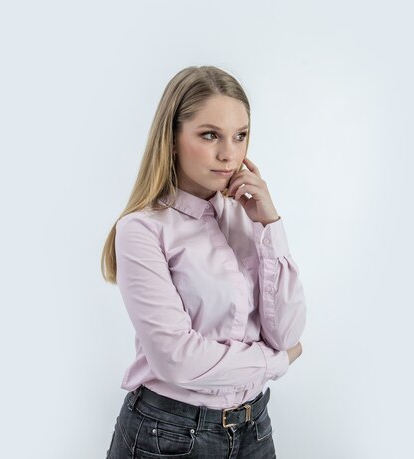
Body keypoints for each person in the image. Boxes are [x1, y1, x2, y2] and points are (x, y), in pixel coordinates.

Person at [100, 65, 307, 458]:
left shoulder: (247, 218)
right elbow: (177, 359)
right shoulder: (141, 230)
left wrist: (270, 225)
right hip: (168, 435)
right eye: (210, 135)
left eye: (240, 136)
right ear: (173, 139)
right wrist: (274, 362)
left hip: (254, 430)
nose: (229, 154)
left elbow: (288, 330)